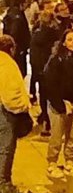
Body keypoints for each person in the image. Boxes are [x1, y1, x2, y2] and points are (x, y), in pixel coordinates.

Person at [42, 29, 73, 179]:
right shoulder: (56, 61)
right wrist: (61, 104)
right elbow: (50, 85)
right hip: (59, 105)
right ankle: (52, 163)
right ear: (63, 42)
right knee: (57, 136)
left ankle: (69, 161)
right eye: (69, 39)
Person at [0, 35, 31, 184]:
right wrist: (24, 106)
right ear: (11, 49)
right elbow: (11, 95)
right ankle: (3, 184)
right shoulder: (7, 64)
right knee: (5, 149)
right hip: (5, 113)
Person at [30, 11, 60, 136]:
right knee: (52, 95)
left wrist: (36, 69)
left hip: (40, 68)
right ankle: (50, 121)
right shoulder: (55, 34)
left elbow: (33, 53)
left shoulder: (36, 34)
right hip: (51, 69)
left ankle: (45, 120)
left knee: (43, 95)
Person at [3, 0, 31, 77]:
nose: (27, 5)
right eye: (26, 2)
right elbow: (15, 32)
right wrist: (17, 46)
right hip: (18, 49)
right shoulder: (17, 16)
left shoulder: (14, 13)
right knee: (19, 70)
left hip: (18, 48)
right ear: (21, 3)